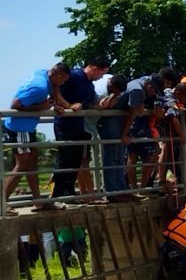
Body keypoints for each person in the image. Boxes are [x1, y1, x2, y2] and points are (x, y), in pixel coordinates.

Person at [3, 63, 72, 214]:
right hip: (20, 128)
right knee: (22, 165)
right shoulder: (39, 87)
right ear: (58, 76)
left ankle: (38, 202)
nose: (63, 84)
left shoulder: (44, 73)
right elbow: (15, 104)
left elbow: (54, 88)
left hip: (28, 127)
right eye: (63, 80)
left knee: (32, 164)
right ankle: (2, 202)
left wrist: (55, 104)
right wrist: (43, 106)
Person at [52, 56, 111, 199]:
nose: (101, 77)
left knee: (76, 160)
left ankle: (69, 193)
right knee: (65, 160)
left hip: (79, 126)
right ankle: (58, 195)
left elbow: (89, 104)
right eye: (102, 73)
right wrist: (67, 105)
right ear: (95, 69)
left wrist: (100, 105)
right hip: (64, 124)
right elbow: (55, 89)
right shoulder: (74, 76)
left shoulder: (90, 86)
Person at [99, 76, 161, 201]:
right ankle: (112, 192)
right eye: (154, 91)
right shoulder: (137, 90)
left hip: (117, 121)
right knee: (112, 157)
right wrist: (124, 134)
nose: (154, 94)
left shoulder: (139, 83)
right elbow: (133, 114)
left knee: (119, 158)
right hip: (112, 122)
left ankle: (121, 190)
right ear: (149, 87)